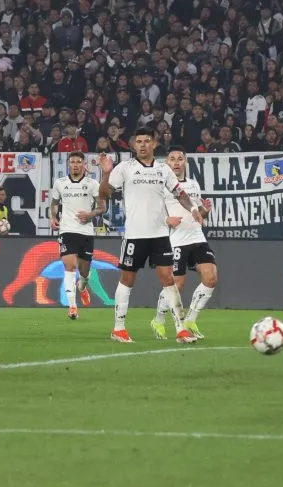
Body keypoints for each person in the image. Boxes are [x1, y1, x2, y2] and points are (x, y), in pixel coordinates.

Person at [98, 128, 202, 344]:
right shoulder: (125, 168)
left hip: (160, 235)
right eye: (139, 142)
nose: (143, 145)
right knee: (127, 279)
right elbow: (105, 194)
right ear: (134, 146)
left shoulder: (163, 170)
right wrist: (107, 172)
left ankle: (181, 329)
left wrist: (193, 208)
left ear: (154, 144)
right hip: (135, 235)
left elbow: (179, 193)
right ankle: (118, 329)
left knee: (168, 279)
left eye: (147, 141)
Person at [156, 146, 216, 341]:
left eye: (180, 159)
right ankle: (158, 318)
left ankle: (190, 319)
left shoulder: (193, 184)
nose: (176, 162)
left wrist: (205, 211)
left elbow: (197, 213)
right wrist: (166, 220)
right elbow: (150, 214)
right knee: (177, 285)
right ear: (166, 163)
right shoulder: (161, 186)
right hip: (175, 241)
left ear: (185, 162)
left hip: (197, 237)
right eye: (172, 159)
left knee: (211, 278)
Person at [49, 151, 106, 320]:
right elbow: (54, 204)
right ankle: (72, 306)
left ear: (83, 165)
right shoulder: (60, 183)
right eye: (72, 162)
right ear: (69, 164)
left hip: (86, 231)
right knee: (69, 266)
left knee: (84, 271)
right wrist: (53, 217)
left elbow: (102, 207)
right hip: (67, 230)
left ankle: (82, 287)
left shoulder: (92, 184)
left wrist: (90, 215)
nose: (75, 164)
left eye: (78, 162)